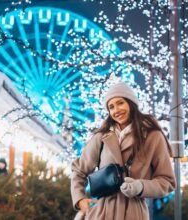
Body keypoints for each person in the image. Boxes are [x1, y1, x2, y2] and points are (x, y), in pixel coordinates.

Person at [71, 81, 176, 220]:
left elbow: (167, 181)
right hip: (101, 213)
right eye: (111, 107)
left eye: (120, 103)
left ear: (131, 104)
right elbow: (79, 170)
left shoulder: (153, 136)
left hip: (134, 213)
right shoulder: (101, 137)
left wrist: (141, 186)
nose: (116, 110)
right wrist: (80, 200)